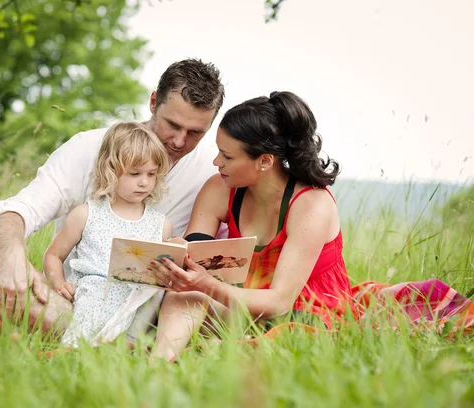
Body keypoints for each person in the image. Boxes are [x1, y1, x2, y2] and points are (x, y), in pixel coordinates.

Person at [0, 59, 225, 339]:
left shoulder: (212, 170)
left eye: (195, 132)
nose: (179, 142)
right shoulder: (89, 148)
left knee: (229, 310)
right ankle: (105, 342)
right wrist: (12, 255)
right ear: (154, 102)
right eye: (173, 124)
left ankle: (114, 343)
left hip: (162, 312)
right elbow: (15, 212)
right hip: (78, 305)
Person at [148, 91, 356, 361]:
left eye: (227, 156)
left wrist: (207, 284)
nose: (216, 162)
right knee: (184, 293)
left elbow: (280, 302)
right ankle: (159, 363)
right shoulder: (220, 188)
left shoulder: (312, 205)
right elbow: (196, 248)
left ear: (265, 161)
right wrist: (180, 252)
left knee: (287, 334)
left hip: (305, 313)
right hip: (245, 305)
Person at [43, 122, 171, 347]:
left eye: (151, 174)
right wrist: (59, 282)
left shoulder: (160, 225)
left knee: (155, 295)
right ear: (110, 169)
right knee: (95, 298)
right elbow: (53, 254)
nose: (144, 182)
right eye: (135, 173)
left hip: (139, 303)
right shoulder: (86, 214)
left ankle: (131, 350)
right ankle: (83, 347)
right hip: (95, 296)